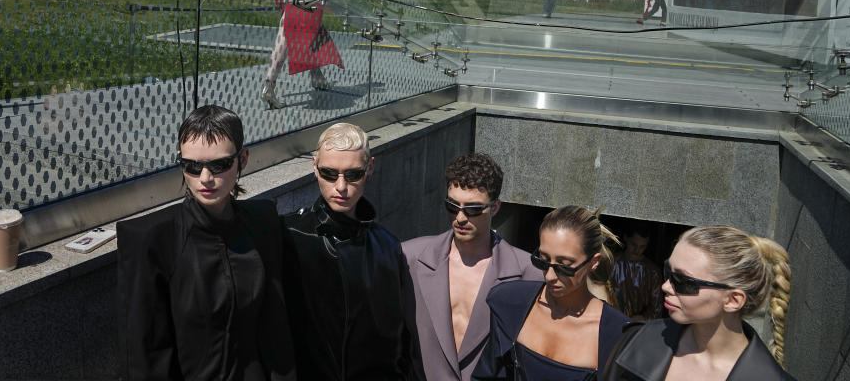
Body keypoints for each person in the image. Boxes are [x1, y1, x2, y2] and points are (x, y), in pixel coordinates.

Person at [117, 105, 295, 380]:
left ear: (243, 159)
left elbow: (277, 327)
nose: (205, 178)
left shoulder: (263, 223)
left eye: (220, 164)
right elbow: (145, 354)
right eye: (192, 166)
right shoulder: (155, 242)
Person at [282, 122, 422, 380]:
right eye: (329, 173)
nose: (341, 187)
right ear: (314, 167)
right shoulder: (288, 236)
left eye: (353, 174)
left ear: (370, 168)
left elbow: (400, 338)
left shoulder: (387, 246)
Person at [402, 153, 544, 381]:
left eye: (473, 209)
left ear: (495, 207)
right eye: (452, 206)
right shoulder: (409, 258)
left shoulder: (530, 273)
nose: (460, 217)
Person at [603, 225, 792, 380]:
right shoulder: (637, 340)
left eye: (683, 281)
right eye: (668, 272)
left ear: (733, 300)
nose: (666, 287)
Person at [473, 205, 631, 380]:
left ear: (593, 262)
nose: (549, 276)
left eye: (564, 265)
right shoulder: (510, 303)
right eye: (543, 260)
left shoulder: (617, 333)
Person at [610, 224, 664, 321]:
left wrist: (642, 318)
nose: (637, 250)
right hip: (612, 319)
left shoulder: (653, 271)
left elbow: (657, 307)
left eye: (642, 247)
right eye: (634, 244)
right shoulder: (611, 263)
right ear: (626, 238)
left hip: (639, 326)